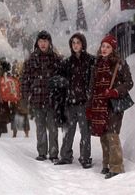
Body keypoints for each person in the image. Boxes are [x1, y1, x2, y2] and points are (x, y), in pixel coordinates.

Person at [86, 34, 133, 179]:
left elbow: (129, 83)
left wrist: (115, 91)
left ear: (113, 49)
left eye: (108, 47)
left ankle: (117, 167)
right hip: (99, 105)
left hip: (113, 104)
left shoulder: (120, 64)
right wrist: (89, 106)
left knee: (112, 135)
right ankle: (106, 164)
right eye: (103, 46)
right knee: (104, 136)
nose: (104, 49)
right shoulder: (96, 64)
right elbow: (92, 87)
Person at [55, 33, 95, 168]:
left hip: (84, 102)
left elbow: (94, 80)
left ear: (83, 44)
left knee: (85, 132)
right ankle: (65, 156)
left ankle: (85, 158)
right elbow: (60, 80)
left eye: (78, 42)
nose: (75, 45)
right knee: (68, 131)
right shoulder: (67, 63)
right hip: (70, 102)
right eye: (73, 43)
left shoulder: (90, 61)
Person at [21, 30, 62, 162]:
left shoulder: (56, 59)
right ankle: (42, 152)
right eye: (40, 41)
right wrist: (24, 96)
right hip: (37, 99)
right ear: (37, 43)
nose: (43, 44)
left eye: (45, 41)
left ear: (49, 43)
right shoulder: (31, 60)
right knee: (40, 127)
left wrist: (60, 96)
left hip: (52, 100)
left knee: (53, 128)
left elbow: (61, 80)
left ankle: (54, 153)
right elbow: (25, 80)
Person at [10, 60, 30, 138]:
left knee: (21, 115)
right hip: (19, 99)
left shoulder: (19, 78)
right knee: (20, 115)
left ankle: (22, 133)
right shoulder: (19, 78)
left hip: (20, 99)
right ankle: (19, 133)